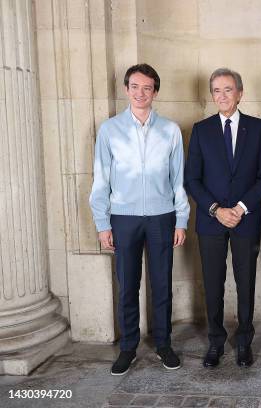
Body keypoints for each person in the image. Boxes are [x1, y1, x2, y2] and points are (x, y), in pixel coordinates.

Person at [89, 63, 190, 375]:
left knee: (161, 284)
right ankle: (128, 347)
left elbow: (178, 180)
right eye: (135, 86)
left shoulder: (170, 130)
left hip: (162, 218)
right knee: (127, 285)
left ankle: (163, 344)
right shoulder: (109, 130)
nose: (140, 93)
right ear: (126, 89)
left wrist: (181, 220)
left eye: (147, 88)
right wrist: (103, 224)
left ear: (155, 92)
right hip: (123, 219)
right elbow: (100, 180)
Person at [184, 68, 261, 368]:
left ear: (240, 93)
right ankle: (215, 342)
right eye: (217, 91)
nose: (222, 96)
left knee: (245, 281)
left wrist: (241, 208)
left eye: (228, 89)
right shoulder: (201, 129)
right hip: (211, 221)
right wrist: (216, 210)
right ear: (212, 95)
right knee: (213, 283)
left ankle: (244, 342)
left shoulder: (258, 128)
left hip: (246, 220)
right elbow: (192, 179)